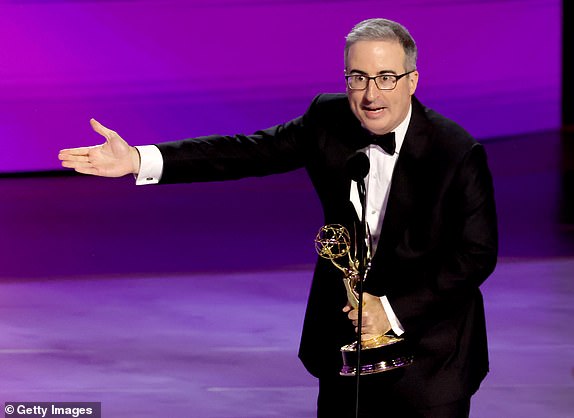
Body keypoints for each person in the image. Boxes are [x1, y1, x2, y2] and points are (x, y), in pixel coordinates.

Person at [59, 18, 498, 418]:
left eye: (386, 78)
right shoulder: (328, 118)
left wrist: (391, 310)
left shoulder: (454, 151)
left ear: (412, 80)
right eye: (358, 77)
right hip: (344, 352)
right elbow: (246, 151)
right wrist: (139, 159)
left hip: (430, 357)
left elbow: (476, 255)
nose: (370, 94)